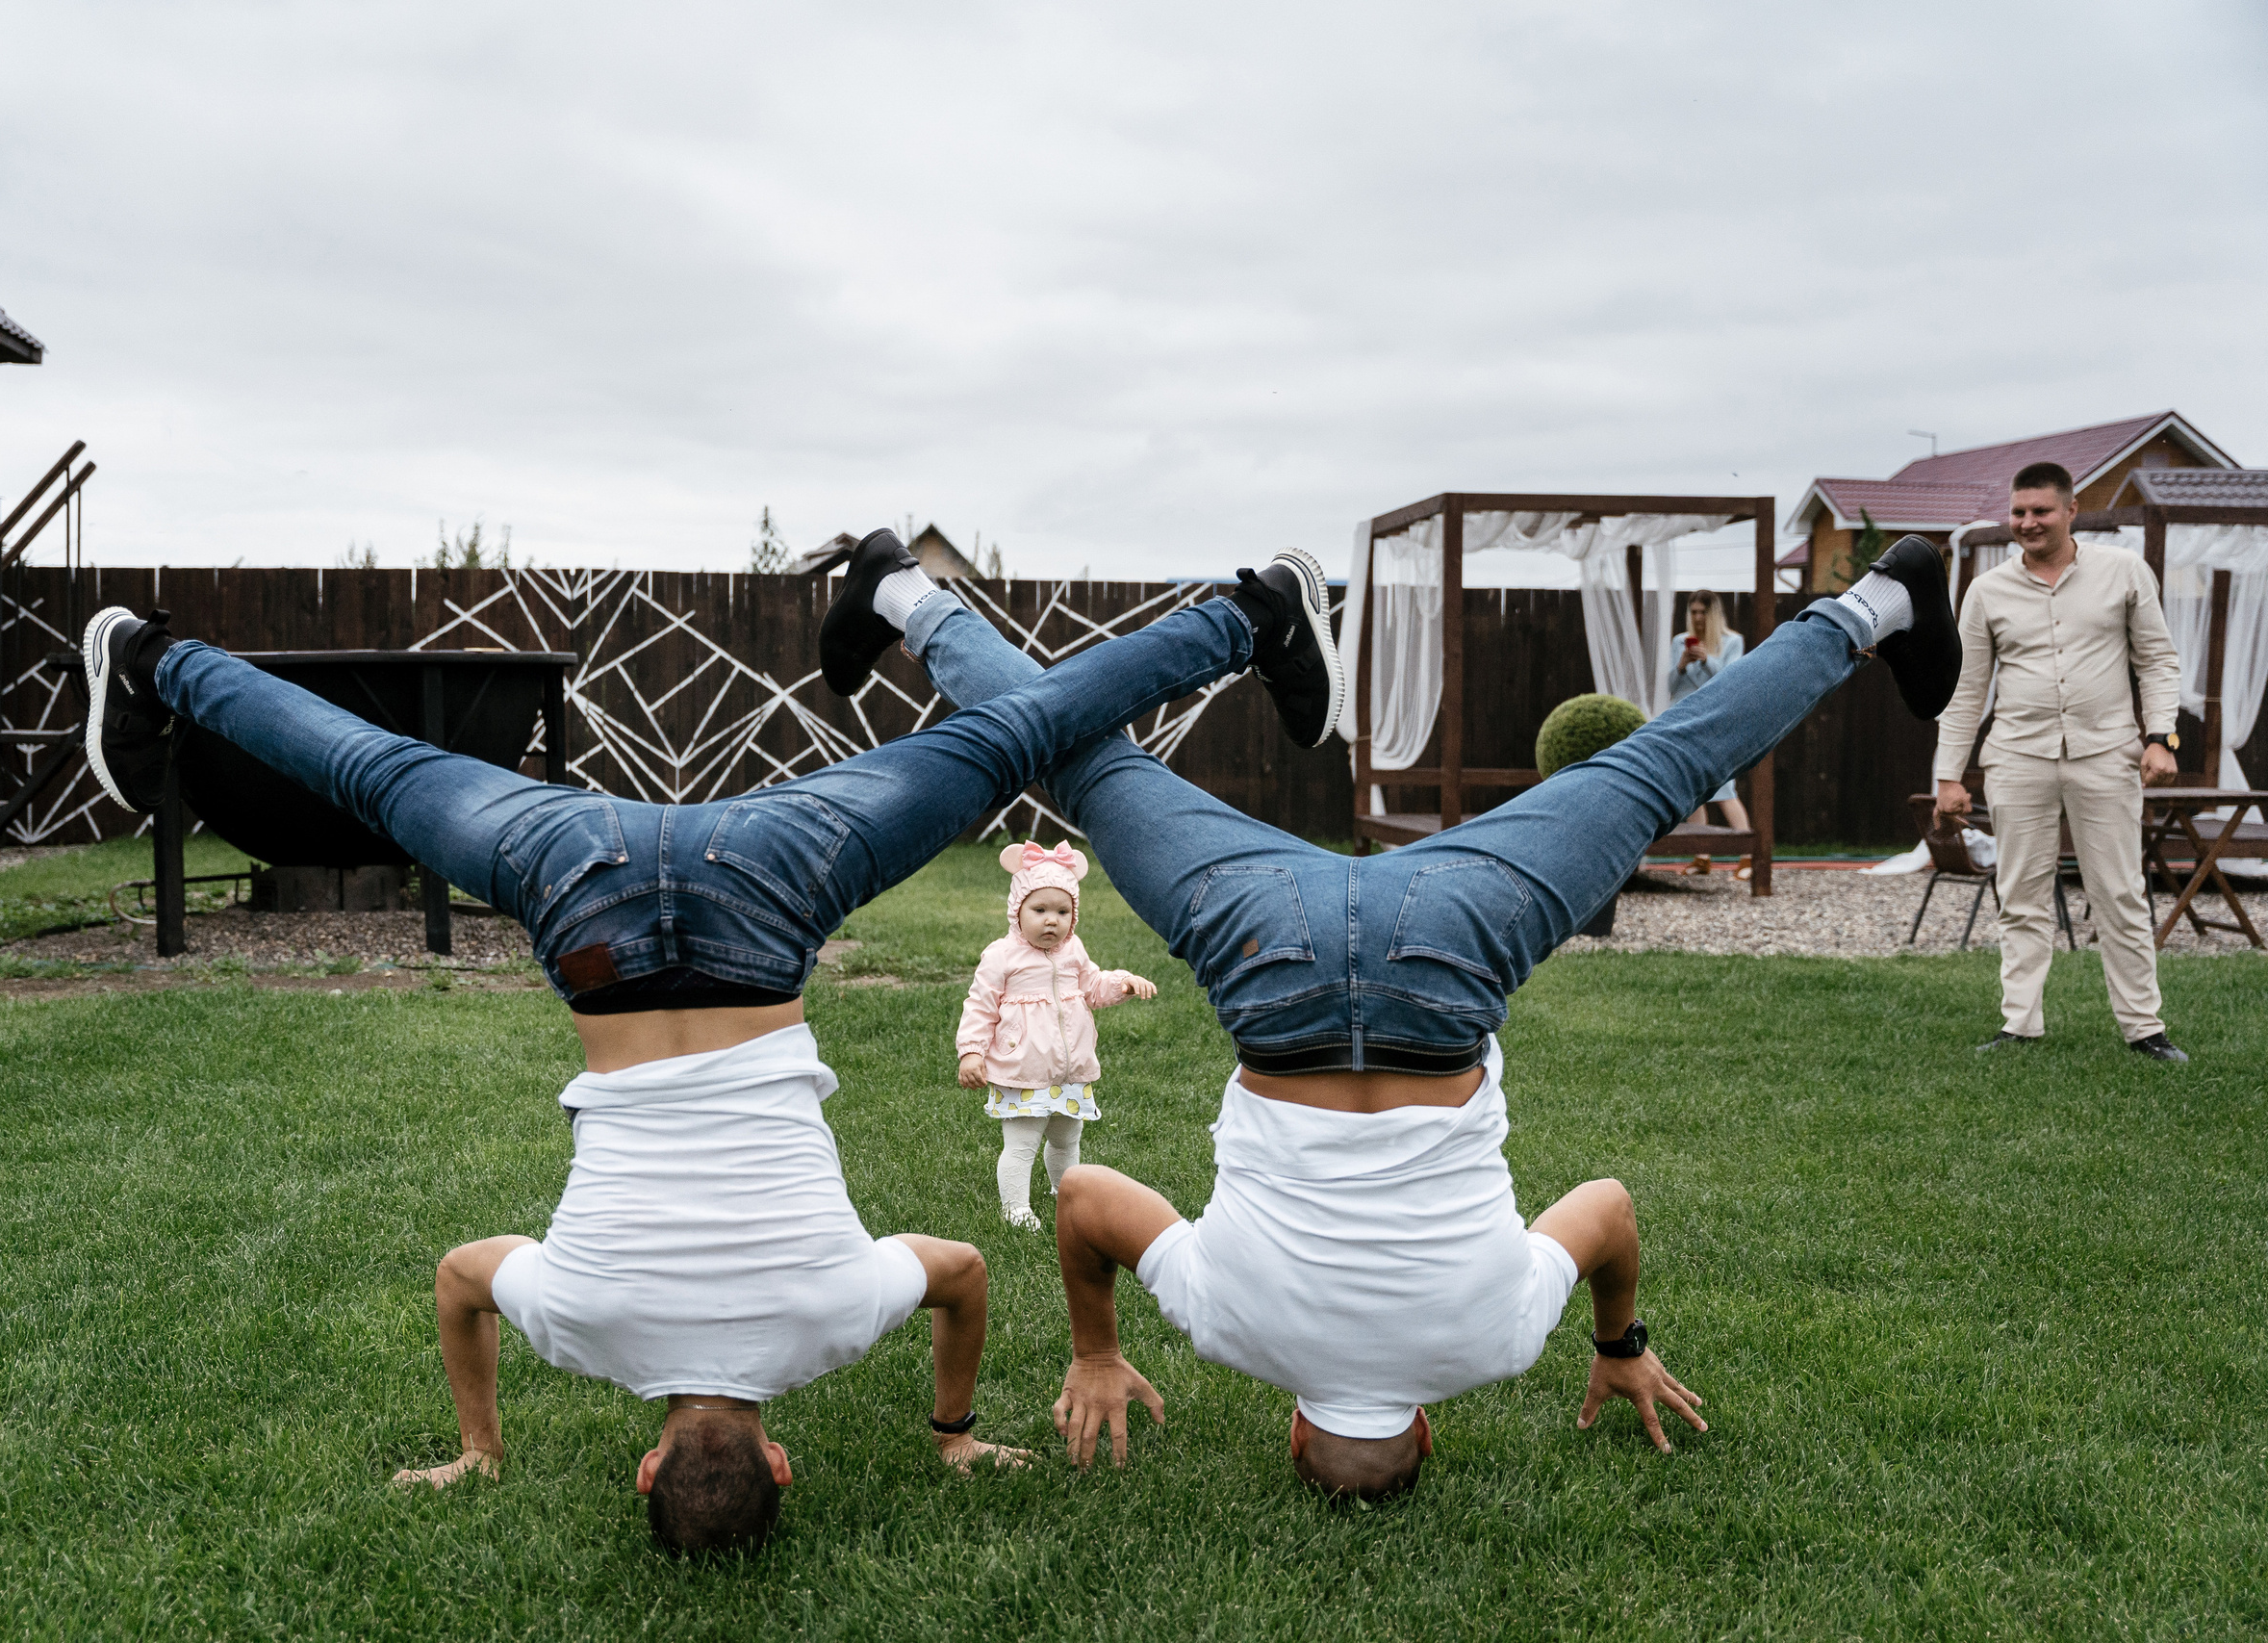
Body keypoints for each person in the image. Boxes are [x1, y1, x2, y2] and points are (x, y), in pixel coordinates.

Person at [74, 547, 1342, 1553]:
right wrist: (480, 1441)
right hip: (587, 908)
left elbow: (958, 1272)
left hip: (763, 896)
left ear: (780, 1456)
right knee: (376, 768)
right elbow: (464, 1277)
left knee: (995, 746)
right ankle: (152, 657)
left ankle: (1256, 611)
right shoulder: (579, 1324)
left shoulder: (830, 1322)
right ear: (647, 1456)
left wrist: (953, 1426)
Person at [829, 527, 1963, 1501]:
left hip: (1455, 950)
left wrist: (1619, 1347)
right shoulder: (1233, 1331)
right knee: (1071, 756)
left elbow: (1606, 1210)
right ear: (1293, 1429)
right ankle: (900, 589)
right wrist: (1093, 1351)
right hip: (1270, 958)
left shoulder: (1495, 1345)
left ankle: (1879, 598)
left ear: (1421, 1427)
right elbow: (1085, 1201)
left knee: (1669, 761)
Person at [1931, 461, 2186, 1063]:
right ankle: (2019, 1025)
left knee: (2120, 893)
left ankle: (2145, 1029)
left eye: (2041, 511)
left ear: (2072, 510)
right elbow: (1967, 689)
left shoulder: (2124, 572)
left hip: (2107, 755)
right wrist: (1948, 775)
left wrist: (2162, 737)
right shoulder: (1987, 590)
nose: (2027, 523)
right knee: (2019, 894)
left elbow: (2157, 660)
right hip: (2018, 758)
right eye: (2019, 512)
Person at [956, 841, 1159, 1231]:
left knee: (1067, 1138)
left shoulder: (1073, 951)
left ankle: (1065, 1192)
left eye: (1062, 912)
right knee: (1022, 1144)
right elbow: (979, 1006)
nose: (1052, 921)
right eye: (1040, 910)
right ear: (1017, 911)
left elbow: (1093, 987)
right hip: (1022, 1070)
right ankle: (1015, 1209)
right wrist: (971, 1053)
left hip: (1069, 1073)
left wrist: (1123, 983)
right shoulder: (1001, 956)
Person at [1666, 589, 1752, 878]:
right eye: (1693, 612)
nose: (1698, 618)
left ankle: (1747, 855)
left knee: (1724, 788)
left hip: (1716, 723)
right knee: (1694, 792)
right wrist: (1681, 665)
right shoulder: (1680, 641)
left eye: (1703, 612)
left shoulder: (1732, 641)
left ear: (1713, 614)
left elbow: (1733, 681)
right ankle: (1702, 857)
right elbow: (1668, 687)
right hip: (1686, 721)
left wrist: (1706, 660)